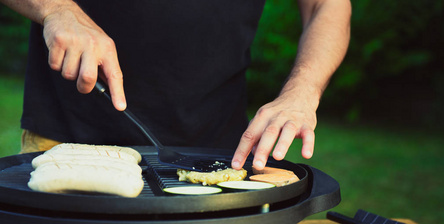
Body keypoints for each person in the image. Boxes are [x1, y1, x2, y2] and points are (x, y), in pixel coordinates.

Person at [1, 0, 351, 171]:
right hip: (67, 140)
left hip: (221, 152)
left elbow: (327, 5)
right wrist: (56, 9)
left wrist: (302, 90)